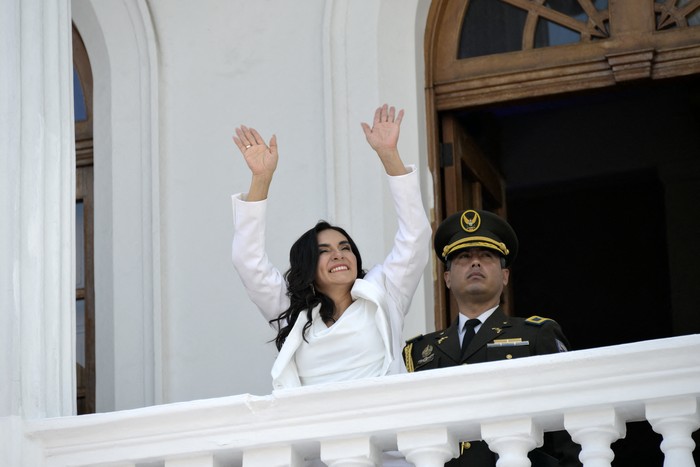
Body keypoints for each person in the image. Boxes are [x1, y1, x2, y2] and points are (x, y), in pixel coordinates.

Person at [231, 104, 431, 391]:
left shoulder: (384, 291)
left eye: (345, 246)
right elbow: (248, 262)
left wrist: (389, 156)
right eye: (324, 251)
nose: (338, 254)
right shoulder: (292, 311)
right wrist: (261, 179)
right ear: (308, 267)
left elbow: (415, 235)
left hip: (381, 429)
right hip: (318, 433)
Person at [402, 209, 581, 467]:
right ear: (447, 278)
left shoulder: (535, 335)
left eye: (486, 256)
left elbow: (569, 427)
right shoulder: (420, 352)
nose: (475, 263)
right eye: (463, 257)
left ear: (505, 276)